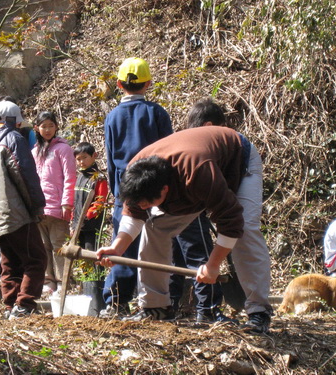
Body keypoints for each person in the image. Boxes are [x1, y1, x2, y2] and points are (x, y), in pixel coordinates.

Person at [97, 126, 274, 334]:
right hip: (195, 184)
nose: (143, 207)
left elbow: (231, 220)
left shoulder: (197, 171)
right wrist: (117, 248)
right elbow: (134, 215)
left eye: (148, 204)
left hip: (237, 161)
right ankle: (156, 307)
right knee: (155, 226)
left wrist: (213, 265)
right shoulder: (138, 173)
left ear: (164, 190)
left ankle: (259, 311)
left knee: (246, 229)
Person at [101, 57, 173, 319]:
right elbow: (169, 153)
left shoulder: (112, 117)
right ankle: (164, 299)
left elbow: (110, 158)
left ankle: (116, 302)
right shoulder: (157, 113)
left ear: (119, 84)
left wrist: (116, 191)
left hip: (126, 188)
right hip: (156, 188)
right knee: (159, 243)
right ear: (149, 83)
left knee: (123, 245)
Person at [0, 101, 47, 319]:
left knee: (10, 261)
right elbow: (24, 174)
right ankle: (24, 305)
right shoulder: (12, 138)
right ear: (13, 120)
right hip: (16, 211)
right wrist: (37, 205)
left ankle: (9, 306)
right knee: (36, 259)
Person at [169, 99, 237, 324]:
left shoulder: (179, 141)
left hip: (167, 207)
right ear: (209, 125)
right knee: (199, 255)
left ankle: (170, 308)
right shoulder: (200, 149)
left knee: (175, 259)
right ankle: (207, 310)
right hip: (189, 208)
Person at [32, 111, 76, 294]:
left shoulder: (63, 149)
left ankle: (63, 282)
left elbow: (70, 177)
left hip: (58, 207)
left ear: (56, 127)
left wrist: (67, 203)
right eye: (44, 126)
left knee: (59, 245)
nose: (47, 129)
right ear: (37, 128)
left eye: (51, 125)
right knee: (43, 246)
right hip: (40, 208)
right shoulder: (34, 151)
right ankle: (48, 281)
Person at [71, 141, 108, 252]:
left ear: (94, 156)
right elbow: (76, 201)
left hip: (92, 225)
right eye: (78, 159)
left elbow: (100, 202)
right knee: (80, 254)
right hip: (78, 225)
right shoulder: (80, 177)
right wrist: (73, 222)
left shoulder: (99, 178)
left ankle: (98, 270)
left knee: (92, 253)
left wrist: (87, 216)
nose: (81, 162)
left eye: (84, 158)